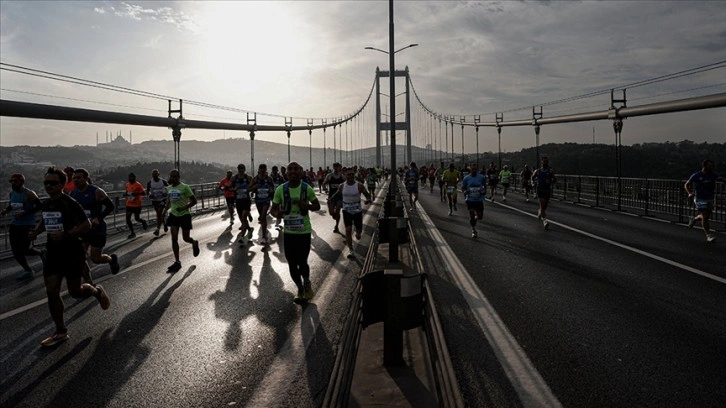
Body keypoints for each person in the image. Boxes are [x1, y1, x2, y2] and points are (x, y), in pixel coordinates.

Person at [29, 166, 110, 347]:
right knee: (52, 290)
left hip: (72, 251)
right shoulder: (47, 203)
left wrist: (67, 235)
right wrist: (36, 231)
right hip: (53, 252)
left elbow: (87, 225)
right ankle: (60, 331)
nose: (48, 186)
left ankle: (97, 291)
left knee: (75, 292)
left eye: (53, 183)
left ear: (62, 184)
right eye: (46, 183)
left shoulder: (70, 203)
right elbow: (46, 219)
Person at [270, 161, 321, 303]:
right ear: (285, 173)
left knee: (302, 261)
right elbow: (272, 210)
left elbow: (317, 206)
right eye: (290, 169)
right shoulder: (281, 189)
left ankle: (307, 283)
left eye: (295, 169)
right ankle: (299, 288)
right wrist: (278, 214)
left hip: (303, 232)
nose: (292, 172)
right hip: (289, 233)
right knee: (292, 263)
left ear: (300, 172)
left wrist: (308, 206)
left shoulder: (306, 188)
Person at [69, 168, 120, 282]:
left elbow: (110, 206)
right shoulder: (73, 194)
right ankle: (89, 283)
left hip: (97, 229)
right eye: (74, 178)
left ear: (86, 178)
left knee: (96, 259)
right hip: (83, 230)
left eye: (79, 178)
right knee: (80, 257)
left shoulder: (96, 191)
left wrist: (98, 218)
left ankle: (111, 259)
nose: (76, 180)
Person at [1, 173, 44, 280]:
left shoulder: (29, 193)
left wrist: (25, 213)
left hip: (27, 224)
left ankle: (41, 252)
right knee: (15, 250)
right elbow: (12, 205)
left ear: (21, 182)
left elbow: (39, 205)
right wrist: (6, 210)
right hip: (15, 224)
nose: (13, 183)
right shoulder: (12, 194)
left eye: (15, 181)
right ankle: (28, 270)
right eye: (11, 181)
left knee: (25, 249)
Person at [162, 169, 200, 272]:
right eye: (172, 176)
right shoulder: (169, 188)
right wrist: (165, 211)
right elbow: (169, 201)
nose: (173, 178)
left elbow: (194, 201)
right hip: (174, 215)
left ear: (179, 177)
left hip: (184, 215)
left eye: (175, 177)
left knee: (185, 238)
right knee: (174, 239)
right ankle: (177, 262)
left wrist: (183, 208)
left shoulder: (185, 187)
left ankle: (194, 242)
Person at [685, 159, 722, 242]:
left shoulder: (713, 175)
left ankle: (694, 219)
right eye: (710, 166)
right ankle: (708, 235)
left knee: (705, 217)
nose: (712, 167)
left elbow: (720, 179)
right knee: (705, 215)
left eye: (712, 166)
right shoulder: (697, 175)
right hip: (699, 198)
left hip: (710, 198)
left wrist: (722, 180)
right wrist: (690, 193)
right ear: (704, 166)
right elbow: (687, 184)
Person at [339, 168, 373, 258]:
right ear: (345, 176)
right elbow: (338, 197)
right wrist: (335, 207)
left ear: (354, 176)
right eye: (348, 175)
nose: (350, 176)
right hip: (346, 211)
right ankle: (351, 250)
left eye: (352, 174)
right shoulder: (342, 186)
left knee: (358, 231)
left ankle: (358, 233)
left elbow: (367, 194)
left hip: (357, 211)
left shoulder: (359, 185)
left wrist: (368, 199)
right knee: (348, 230)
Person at [249, 164, 275, 245]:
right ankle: (265, 234)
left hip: (266, 200)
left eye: (264, 169)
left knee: (263, 217)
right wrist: (255, 187)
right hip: (258, 201)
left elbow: (272, 187)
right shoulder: (255, 179)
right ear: (259, 170)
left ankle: (264, 236)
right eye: (261, 169)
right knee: (262, 217)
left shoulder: (269, 178)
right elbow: (248, 189)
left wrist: (271, 190)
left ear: (266, 169)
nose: (263, 171)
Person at [461, 163, 487, 238]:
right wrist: (465, 191)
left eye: (475, 169)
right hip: (470, 200)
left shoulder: (481, 177)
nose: (474, 170)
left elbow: (485, 185)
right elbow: (463, 187)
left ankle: (476, 217)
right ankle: (473, 230)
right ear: (470, 170)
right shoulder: (466, 178)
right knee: (471, 215)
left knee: (480, 217)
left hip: (479, 200)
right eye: (473, 169)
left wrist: (484, 191)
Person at [232, 164, 255, 245]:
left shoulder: (248, 178)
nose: (241, 170)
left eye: (242, 169)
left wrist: (248, 190)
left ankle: (242, 236)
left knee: (244, 217)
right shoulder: (234, 178)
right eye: (239, 169)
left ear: (244, 169)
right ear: (237, 169)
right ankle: (249, 229)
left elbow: (253, 187)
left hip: (246, 201)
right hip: (238, 201)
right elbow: (230, 188)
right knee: (242, 220)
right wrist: (234, 189)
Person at [532, 156, 556, 230]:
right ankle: (545, 221)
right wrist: (533, 183)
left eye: (547, 161)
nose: (545, 163)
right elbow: (532, 177)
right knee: (542, 204)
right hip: (540, 189)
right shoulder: (537, 171)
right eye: (544, 161)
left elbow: (555, 179)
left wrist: (551, 181)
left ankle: (540, 212)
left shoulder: (550, 171)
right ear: (541, 162)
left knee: (544, 206)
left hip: (547, 190)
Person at [322, 162, 345, 233]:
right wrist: (325, 188)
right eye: (334, 167)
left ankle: (336, 226)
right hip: (331, 196)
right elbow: (324, 183)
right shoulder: (330, 176)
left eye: (337, 167)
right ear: (333, 167)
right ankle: (334, 216)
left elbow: (346, 184)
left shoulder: (342, 176)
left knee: (337, 211)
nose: (336, 168)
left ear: (339, 168)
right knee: (331, 212)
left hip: (339, 197)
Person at [124, 172, 147, 239]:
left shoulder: (138, 185)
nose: (130, 178)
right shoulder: (127, 184)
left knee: (137, 218)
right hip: (129, 204)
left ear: (134, 178)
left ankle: (143, 221)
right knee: (128, 219)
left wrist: (135, 194)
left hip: (137, 204)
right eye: (129, 177)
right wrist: (125, 194)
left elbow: (143, 193)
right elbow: (127, 192)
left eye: (131, 177)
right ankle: (132, 233)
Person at [146, 169, 168, 236]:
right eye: (153, 174)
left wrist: (166, 193)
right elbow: (147, 191)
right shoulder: (150, 182)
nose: (155, 175)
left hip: (162, 200)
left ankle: (157, 230)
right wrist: (150, 194)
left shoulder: (163, 181)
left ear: (158, 174)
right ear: (152, 175)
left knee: (159, 214)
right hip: (155, 200)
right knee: (159, 215)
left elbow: (169, 188)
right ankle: (165, 224)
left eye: (156, 174)